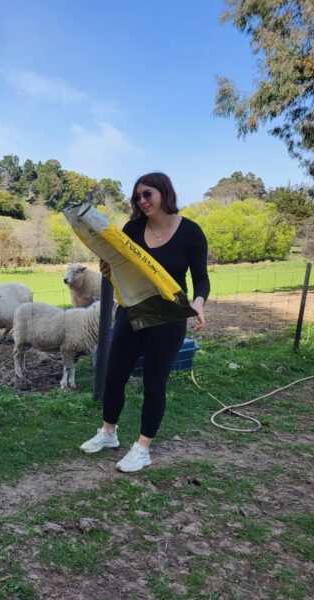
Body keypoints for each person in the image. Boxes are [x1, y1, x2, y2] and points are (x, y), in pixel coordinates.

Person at [80, 172, 209, 472]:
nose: (141, 201)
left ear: (164, 193)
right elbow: (120, 267)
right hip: (132, 311)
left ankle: (142, 447)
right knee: (114, 375)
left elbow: (201, 280)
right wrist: (110, 270)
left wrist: (198, 303)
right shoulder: (133, 228)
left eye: (147, 194)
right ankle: (108, 432)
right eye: (137, 197)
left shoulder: (191, 232)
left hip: (168, 318)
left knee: (154, 383)